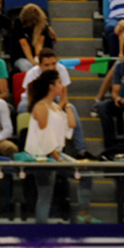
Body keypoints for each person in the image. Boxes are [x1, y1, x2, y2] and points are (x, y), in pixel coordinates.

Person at [24, 69, 94, 223]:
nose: (62, 86)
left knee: (84, 175)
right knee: (45, 194)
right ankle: (41, 228)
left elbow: (71, 124)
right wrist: (57, 158)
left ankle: (82, 214)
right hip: (43, 157)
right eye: (59, 83)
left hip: (55, 154)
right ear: (51, 86)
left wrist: (66, 103)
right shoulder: (40, 107)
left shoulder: (54, 107)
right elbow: (44, 136)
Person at [94, 40, 124, 150]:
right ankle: (110, 146)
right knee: (104, 107)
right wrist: (117, 99)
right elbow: (115, 91)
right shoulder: (120, 67)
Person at [7, 2, 56, 73]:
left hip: (36, 55)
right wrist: (32, 62)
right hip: (21, 56)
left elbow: (39, 45)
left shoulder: (42, 25)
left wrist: (38, 60)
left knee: (47, 67)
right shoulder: (18, 23)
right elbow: (24, 45)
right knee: (28, 67)